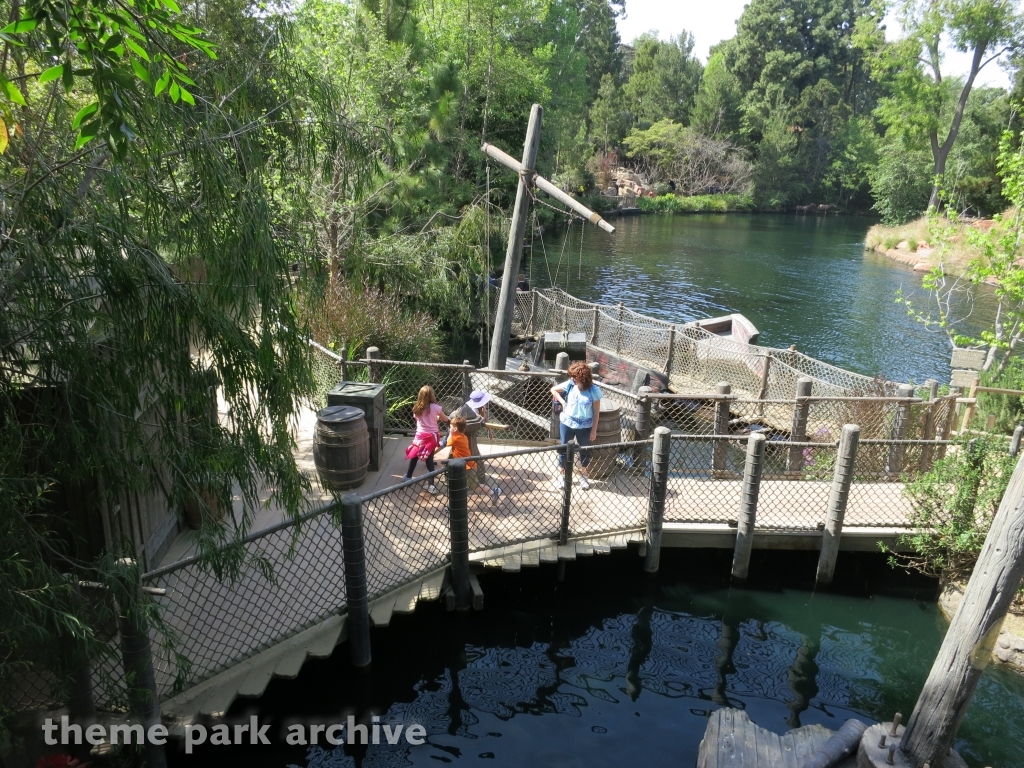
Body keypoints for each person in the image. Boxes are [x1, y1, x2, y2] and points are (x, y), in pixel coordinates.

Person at [550, 360, 602, 489]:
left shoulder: (594, 390)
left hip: (585, 426)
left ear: (582, 377)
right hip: (567, 422)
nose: (572, 378)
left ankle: (584, 477)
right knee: (563, 449)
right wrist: (562, 402)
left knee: (584, 451)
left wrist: (594, 430)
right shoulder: (570, 384)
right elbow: (553, 390)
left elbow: (596, 412)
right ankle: (562, 476)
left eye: (574, 376)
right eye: (571, 376)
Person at [404, 385, 449, 494]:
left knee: (414, 456)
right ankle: (431, 485)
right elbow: (445, 418)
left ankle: (408, 477)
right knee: (429, 460)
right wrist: (438, 418)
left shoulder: (416, 408)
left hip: (420, 437)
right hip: (431, 437)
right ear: (432, 395)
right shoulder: (436, 407)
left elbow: (420, 419)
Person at [444, 417, 501, 499]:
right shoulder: (463, 436)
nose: (449, 429)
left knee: (475, 485)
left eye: (451, 427)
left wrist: (450, 433)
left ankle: (493, 492)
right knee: (458, 484)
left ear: (455, 429)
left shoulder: (455, 438)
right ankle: (454, 503)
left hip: (468, 467)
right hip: (464, 465)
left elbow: (447, 443)